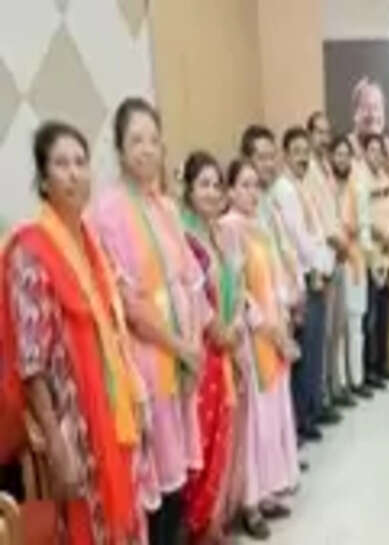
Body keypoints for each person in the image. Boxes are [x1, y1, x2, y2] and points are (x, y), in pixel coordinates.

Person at [0, 121, 150, 544]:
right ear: (44, 180)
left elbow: (113, 329)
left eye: (81, 162)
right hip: (72, 424)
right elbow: (31, 363)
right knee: (87, 529)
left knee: (123, 526)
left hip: (112, 411)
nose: (73, 173)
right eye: (61, 164)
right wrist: (57, 443)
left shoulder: (90, 243)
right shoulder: (30, 252)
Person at [89, 97, 206, 545]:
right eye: (136, 140)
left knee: (179, 482)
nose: (146, 149)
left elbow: (190, 280)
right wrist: (182, 348)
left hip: (182, 357)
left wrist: (194, 346)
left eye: (153, 140)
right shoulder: (106, 211)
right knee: (157, 479)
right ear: (119, 148)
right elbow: (129, 303)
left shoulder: (166, 208)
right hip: (148, 362)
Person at [222, 158, 301, 540]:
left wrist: (283, 321)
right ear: (230, 191)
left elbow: (274, 281)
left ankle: (267, 491)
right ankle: (249, 503)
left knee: (273, 417)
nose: (252, 192)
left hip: (274, 333)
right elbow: (238, 292)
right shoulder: (229, 229)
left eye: (256, 185)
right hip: (252, 339)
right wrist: (266, 326)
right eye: (244, 185)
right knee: (254, 423)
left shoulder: (260, 226)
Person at [178, 151, 247, 545]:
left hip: (227, 344)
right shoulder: (183, 238)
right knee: (201, 438)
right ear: (189, 190)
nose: (211, 192)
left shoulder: (222, 235)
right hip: (201, 350)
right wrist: (218, 331)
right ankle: (195, 527)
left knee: (224, 432)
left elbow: (236, 284)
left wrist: (234, 325)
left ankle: (213, 524)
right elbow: (190, 297)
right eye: (203, 184)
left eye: (216, 185)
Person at [261, 125, 335, 444]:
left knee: (314, 348)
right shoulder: (284, 190)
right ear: (285, 155)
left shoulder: (299, 187)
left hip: (312, 273)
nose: (303, 158)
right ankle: (303, 419)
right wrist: (318, 267)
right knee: (306, 352)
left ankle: (310, 412)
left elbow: (315, 231)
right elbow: (299, 239)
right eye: (297, 152)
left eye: (306, 153)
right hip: (303, 277)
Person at [306, 111, 348, 424]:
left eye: (326, 132)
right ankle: (318, 400)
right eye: (318, 133)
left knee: (335, 330)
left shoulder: (326, 169)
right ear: (310, 135)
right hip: (322, 259)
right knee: (321, 336)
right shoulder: (307, 173)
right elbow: (317, 220)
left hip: (336, 257)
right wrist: (337, 242)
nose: (324, 138)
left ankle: (331, 390)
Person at [329, 135, 370, 400]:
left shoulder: (359, 188)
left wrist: (362, 245)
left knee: (356, 324)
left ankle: (357, 379)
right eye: (338, 155)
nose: (342, 159)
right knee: (338, 328)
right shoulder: (326, 188)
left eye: (346, 155)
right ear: (331, 158)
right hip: (333, 259)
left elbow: (364, 225)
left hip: (355, 260)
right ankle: (339, 384)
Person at [358, 133, 389, 388]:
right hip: (370, 255)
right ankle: (368, 369)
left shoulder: (387, 179)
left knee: (385, 315)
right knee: (369, 317)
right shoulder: (359, 179)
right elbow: (361, 217)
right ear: (364, 153)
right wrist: (378, 235)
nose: (376, 155)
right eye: (371, 150)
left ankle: (382, 364)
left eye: (379, 151)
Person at [349, 78, 389, 176]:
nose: (373, 115)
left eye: (377, 107)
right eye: (367, 107)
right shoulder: (345, 151)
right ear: (355, 113)